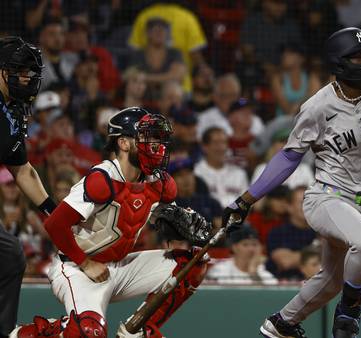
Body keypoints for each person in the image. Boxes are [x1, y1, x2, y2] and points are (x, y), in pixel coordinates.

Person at [222, 27, 361, 338]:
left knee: (331, 281)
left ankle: (281, 324)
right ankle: (349, 315)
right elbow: (288, 158)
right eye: (359, 56)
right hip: (327, 198)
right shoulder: (317, 106)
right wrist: (246, 199)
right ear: (340, 63)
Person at [11, 107, 211, 338]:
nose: (157, 145)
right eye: (147, 137)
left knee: (193, 263)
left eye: (157, 138)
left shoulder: (159, 182)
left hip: (121, 266)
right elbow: (55, 225)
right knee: (89, 333)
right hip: (78, 267)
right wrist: (85, 263)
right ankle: (37, 332)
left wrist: (186, 226)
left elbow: (169, 219)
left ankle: (139, 329)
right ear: (124, 143)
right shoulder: (101, 179)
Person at [0, 36, 57, 338]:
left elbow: (20, 168)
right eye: (18, 70)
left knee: (10, 255)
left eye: (29, 72)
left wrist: (52, 211)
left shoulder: (13, 108)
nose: (26, 77)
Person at [266, 186, 317, 280]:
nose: (307, 206)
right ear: (289, 207)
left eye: (311, 202)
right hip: (287, 286)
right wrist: (320, 250)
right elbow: (286, 262)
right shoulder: (278, 233)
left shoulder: (321, 231)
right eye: (302, 202)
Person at [194, 127, 248, 208]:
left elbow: (246, 204)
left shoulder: (239, 174)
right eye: (216, 143)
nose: (221, 148)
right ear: (204, 147)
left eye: (224, 143)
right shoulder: (196, 172)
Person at [207, 226, 277, 285]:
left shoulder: (264, 273)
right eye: (245, 244)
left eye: (254, 244)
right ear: (234, 248)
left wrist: (253, 273)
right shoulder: (220, 270)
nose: (251, 249)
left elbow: (267, 298)